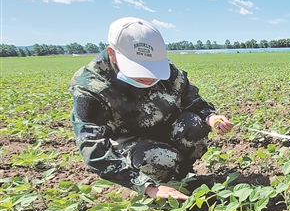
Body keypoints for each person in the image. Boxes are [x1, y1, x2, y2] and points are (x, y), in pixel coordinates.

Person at [69, 17, 233, 200]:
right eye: (139, 70)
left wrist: (210, 116)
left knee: (195, 124)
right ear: (112, 53)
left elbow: (192, 100)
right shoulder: (91, 86)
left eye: (152, 69)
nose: (148, 78)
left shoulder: (167, 70)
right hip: (130, 144)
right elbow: (92, 147)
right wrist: (147, 187)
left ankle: (181, 176)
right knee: (157, 157)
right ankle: (154, 185)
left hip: (164, 130)